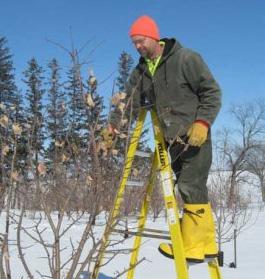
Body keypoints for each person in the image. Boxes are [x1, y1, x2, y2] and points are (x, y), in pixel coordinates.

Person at [105, 15, 222, 263]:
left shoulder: (185, 59)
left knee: (190, 186)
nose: (137, 46)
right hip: (172, 140)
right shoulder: (141, 71)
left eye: (140, 41)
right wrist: (112, 127)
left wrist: (203, 122)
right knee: (191, 187)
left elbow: (211, 91)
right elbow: (127, 101)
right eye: (133, 43)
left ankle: (191, 246)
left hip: (195, 136)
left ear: (153, 36)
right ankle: (206, 243)